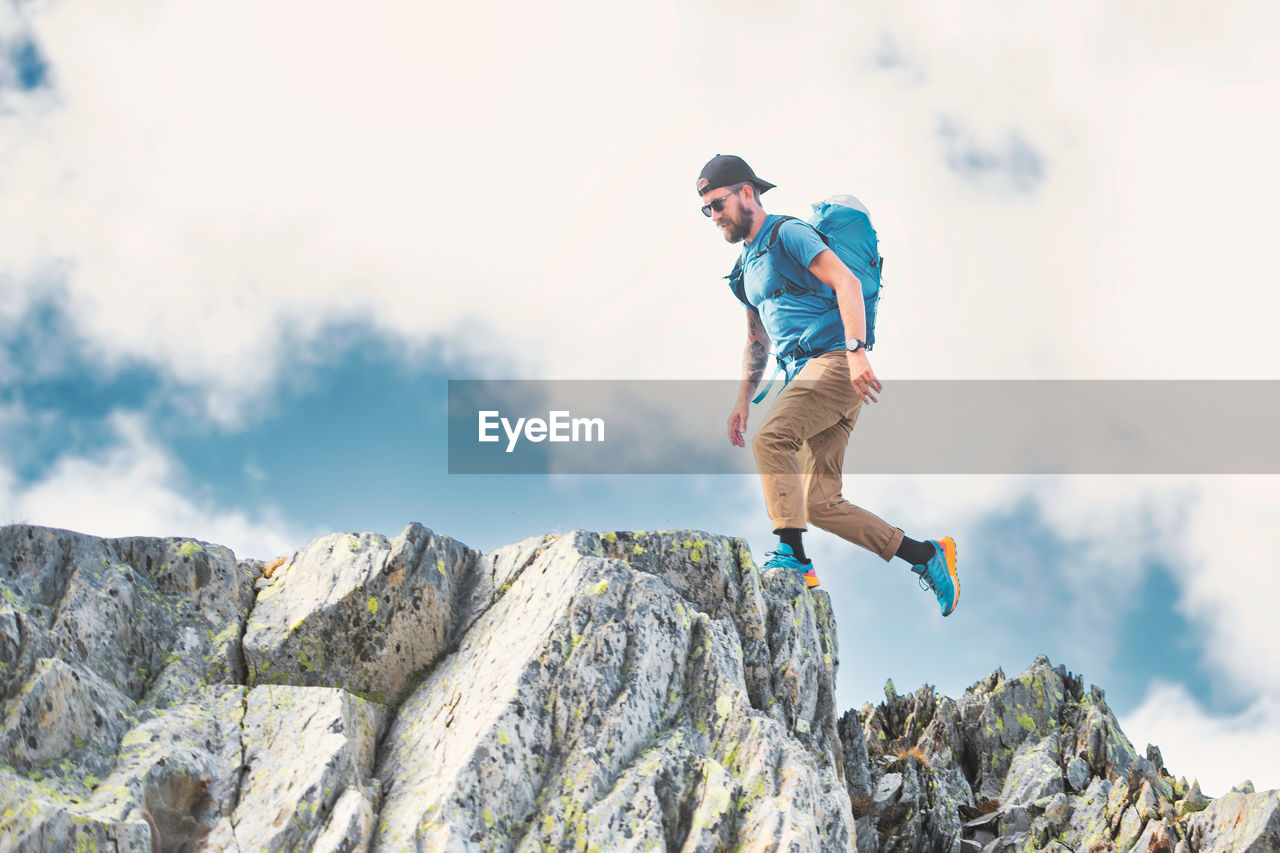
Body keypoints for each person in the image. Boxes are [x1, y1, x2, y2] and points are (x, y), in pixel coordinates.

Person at [697, 154, 960, 616]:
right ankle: (925, 555)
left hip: (835, 364)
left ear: (746, 193)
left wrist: (856, 351)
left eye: (717, 204)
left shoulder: (788, 233)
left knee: (773, 440)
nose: (714, 217)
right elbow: (757, 338)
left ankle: (794, 560)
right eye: (706, 210)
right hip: (811, 376)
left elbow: (847, 282)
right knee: (818, 502)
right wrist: (741, 400)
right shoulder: (744, 270)